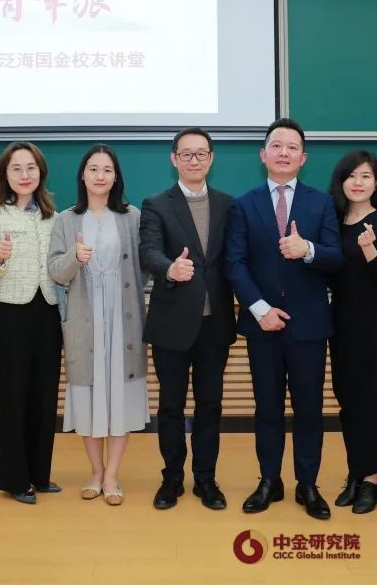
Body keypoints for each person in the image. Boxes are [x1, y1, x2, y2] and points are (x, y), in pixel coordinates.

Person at [225, 118, 343, 520]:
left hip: (309, 325)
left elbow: (335, 257)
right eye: (276, 146)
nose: (283, 153)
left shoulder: (321, 203)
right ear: (263, 154)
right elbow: (235, 263)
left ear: (303, 158)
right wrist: (260, 309)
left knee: (309, 409)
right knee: (267, 408)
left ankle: (307, 483)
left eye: (292, 147)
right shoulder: (243, 204)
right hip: (263, 325)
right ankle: (269, 480)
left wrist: (307, 249)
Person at [140, 128, 236, 511]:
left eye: (201, 153)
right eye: (186, 154)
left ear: (211, 158)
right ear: (174, 159)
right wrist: (169, 268)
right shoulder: (156, 204)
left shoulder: (228, 204)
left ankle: (206, 479)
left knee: (210, 405)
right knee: (171, 406)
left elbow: (235, 258)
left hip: (216, 324)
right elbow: (148, 251)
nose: (194, 160)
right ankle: (172, 478)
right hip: (172, 324)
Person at [48, 145, 148, 506]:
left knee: (120, 396)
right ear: (83, 175)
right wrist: (74, 257)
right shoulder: (66, 219)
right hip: (85, 319)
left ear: (116, 176)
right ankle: (95, 471)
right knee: (88, 396)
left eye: (107, 169)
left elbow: (146, 264)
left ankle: (111, 475)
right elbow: (55, 271)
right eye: (93, 169)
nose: (100, 175)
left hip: (124, 319)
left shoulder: (133, 217)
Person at [0, 142, 63, 505]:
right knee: (12, 396)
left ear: (41, 172)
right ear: (5, 174)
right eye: (17, 168)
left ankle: (39, 474)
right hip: (10, 313)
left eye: (31, 168)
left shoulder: (53, 216)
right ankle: (15, 479)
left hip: (47, 311)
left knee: (44, 396)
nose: (25, 175)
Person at [327, 150, 377, 515]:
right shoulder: (331, 220)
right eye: (351, 176)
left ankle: (372, 478)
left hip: (374, 322)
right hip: (339, 321)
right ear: (341, 181)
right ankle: (356, 471)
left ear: (376, 183)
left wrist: (369, 248)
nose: (357, 183)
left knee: (374, 398)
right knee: (348, 399)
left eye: (365, 176)